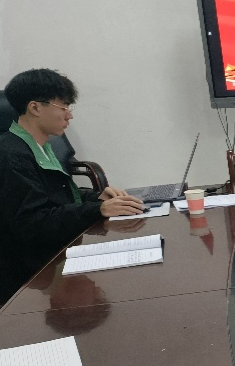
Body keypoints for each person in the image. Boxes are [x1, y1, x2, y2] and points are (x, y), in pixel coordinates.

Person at [1, 69, 143, 304]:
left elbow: (54, 197)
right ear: (35, 108)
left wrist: (96, 197)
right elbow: (33, 223)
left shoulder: (40, 146)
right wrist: (97, 210)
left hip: (56, 250)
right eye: (63, 107)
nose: (69, 116)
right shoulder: (12, 155)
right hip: (31, 269)